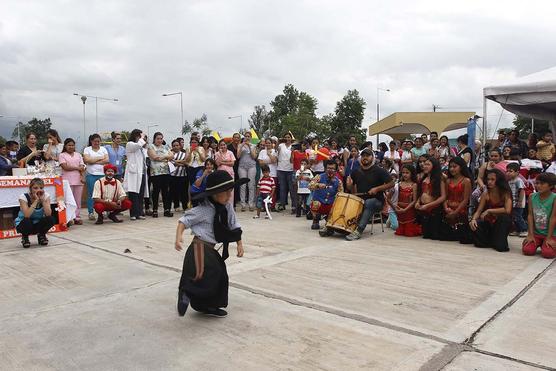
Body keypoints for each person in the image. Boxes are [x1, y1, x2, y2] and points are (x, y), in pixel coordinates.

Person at [174, 170, 246, 317]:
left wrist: (239, 243)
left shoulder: (227, 208)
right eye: (225, 192)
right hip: (199, 248)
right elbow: (184, 221)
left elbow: (234, 225)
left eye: (230, 191)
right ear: (214, 193)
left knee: (220, 275)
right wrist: (178, 237)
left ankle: (208, 305)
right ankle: (186, 292)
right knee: (200, 275)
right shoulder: (204, 209)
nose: (229, 196)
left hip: (211, 250)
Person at [345, 148, 394, 241]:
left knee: (369, 202)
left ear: (372, 158)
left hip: (377, 201)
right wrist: (349, 185)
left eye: (367, 156)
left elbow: (392, 183)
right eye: (363, 156)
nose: (365, 158)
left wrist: (377, 188)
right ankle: (339, 226)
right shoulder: (356, 171)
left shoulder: (379, 170)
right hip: (360, 200)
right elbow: (351, 189)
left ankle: (359, 230)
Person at [469, 169, 512, 252]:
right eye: (488, 179)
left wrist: (489, 210)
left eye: (492, 180)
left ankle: (497, 240)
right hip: (488, 222)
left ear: (499, 180)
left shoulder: (505, 193)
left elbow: (507, 210)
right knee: (476, 225)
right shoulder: (485, 193)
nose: (489, 182)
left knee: (500, 246)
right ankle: (490, 240)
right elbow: (479, 211)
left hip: (500, 223)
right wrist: (473, 220)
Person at [522, 172, 556, 259]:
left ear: (551, 186)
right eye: (537, 183)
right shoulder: (532, 196)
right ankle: (539, 242)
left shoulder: (554, 198)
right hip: (536, 233)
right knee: (527, 250)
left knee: (548, 254)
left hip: (551, 234)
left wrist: (548, 238)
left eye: (542, 183)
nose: (538, 186)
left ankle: (546, 242)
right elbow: (530, 216)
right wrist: (530, 234)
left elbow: (553, 218)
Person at [14, 177, 55, 248]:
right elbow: (27, 215)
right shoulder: (23, 197)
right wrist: (36, 201)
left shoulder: (45, 196)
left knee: (50, 219)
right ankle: (25, 237)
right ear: (30, 189)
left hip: (37, 223)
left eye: (41, 188)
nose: (39, 190)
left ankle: (41, 235)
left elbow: (48, 214)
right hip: (24, 223)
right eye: (35, 188)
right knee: (27, 221)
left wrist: (42, 201)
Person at [440, 157, 472, 242]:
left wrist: (455, 212)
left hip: (460, 210)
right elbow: (445, 197)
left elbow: (465, 200)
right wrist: (446, 208)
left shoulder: (466, 181)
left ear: (461, 167)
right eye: (450, 167)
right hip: (448, 209)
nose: (452, 169)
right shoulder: (448, 180)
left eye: (454, 166)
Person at [415, 156, 446, 240]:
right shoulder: (423, 178)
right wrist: (417, 202)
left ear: (434, 166)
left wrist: (428, 205)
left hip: (435, 210)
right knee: (426, 235)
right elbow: (421, 193)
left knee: (434, 236)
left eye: (428, 164)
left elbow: (443, 197)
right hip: (424, 209)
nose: (425, 166)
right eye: (424, 164)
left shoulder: (440, 178)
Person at [309, 160, 343, 233]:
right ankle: (315, 220)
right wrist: (317, 185)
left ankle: (328, 219)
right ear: (325, 169)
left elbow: (341, 194)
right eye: (328, 168)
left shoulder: (338, 181)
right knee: (315, 204)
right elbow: (310, 186)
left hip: (330, 203)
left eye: (332, 169)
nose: (330, 170)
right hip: (319, 202)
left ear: (336, 170)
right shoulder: (319, 177)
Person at [59, 138, 86, 225]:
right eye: (69, 145)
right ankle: (69, 218)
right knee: (68, 200)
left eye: (72, 145)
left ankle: (77, 217)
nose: (71, 147)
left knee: (77, 201)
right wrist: (77, 168)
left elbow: (82, 166)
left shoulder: (78, 155)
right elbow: (65, 167)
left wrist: (82, 175)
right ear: (65, 146)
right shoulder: (62, 155)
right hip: (67, 181)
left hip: (78, 180)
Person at [123, 129, 148, 221]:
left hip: (142, 173)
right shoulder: (130, 144)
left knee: (141, 194)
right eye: (140, 136)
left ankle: (140, 212)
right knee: (133, 194)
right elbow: (137, 146)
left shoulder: (141, 148)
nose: (142, 139)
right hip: (134, 173)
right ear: (135, 136)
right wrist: (142, 138)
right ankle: (133, 213)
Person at [148, 132, 174, 218]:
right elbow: (154, 157)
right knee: (156, 191)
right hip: (155, 173)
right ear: (154, 139)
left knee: (165, 191)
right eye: (158, 138)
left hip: (166, 172)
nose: (159, 140)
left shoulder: (166, 146)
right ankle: (155, 210)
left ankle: (167, 210)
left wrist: (161, 157)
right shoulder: (151, 146)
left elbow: (172, 156)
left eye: (161, 138)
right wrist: (165, 157)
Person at [83, 134, 109, 220]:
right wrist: (100, 158)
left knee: (103, 193)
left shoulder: (103, 149)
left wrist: (93, 160)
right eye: (95, 141)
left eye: (98, 141)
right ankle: (91, 212)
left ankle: (103, 210)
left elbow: (107, 160)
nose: (97, 143)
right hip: (91, 175)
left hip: (102, 174)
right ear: (91, 141)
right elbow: (87, 160)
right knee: (91, 194)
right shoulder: (87, 149)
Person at [393, 164, 421, 237]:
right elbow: (394, 198)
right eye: (403, 172)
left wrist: (405, 209)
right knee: (400, 231)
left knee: (409, 233)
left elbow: (414, 200)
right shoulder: (399, 184)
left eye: (407, 173)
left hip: (409, 210)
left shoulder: (414, 185)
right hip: (399, 209)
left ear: (412, 173)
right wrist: (395, 208)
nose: (405, 174)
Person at [237, 131, 258, 212]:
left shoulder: (254, 146)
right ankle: (243, 204)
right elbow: (238, 156)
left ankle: (251, 204)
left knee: (251, 185)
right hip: (242, 166)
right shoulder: (240, 145)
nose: (247, 137)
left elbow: (254, 157)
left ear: (251, 137)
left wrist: (249, 147)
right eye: (246, 136)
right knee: (242, 185)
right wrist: (242, 145)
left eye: (249, 136)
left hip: (251, 166)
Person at [506, 162, 528, 237]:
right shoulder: (509, 181)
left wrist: (520, 201)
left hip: (518, 203)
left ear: (517, 172)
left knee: (518, 216)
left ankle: (524, 229)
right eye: (507, 171)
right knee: (514, 217)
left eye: (510, 171)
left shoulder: (518, 180)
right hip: (512, 202)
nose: (508, 173)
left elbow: (522, 190)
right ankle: (517, 230)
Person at [257, 138, 278, 209]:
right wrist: (269, 161)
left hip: (273, 173)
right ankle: (264, 206)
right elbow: (260, 163)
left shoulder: (275, 151)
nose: (268, 144)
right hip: (263, 174)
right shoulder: (262, 151)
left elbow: (274, 161)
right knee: (263, 190)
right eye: (267, 143)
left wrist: (269, 154)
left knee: (272, 190)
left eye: (269, 143)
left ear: (272, 143)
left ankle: (272, 206)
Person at [276, 132, 295, 213]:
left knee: (292, 189)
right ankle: (282, 205)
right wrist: (278, 141)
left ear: (291, 138)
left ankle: (294, 206)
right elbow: (276, 149)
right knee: (282, 188)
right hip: (281, 169)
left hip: (290, 169)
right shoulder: (281, 145)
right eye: (286, 137)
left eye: (288, 137)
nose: (287, 139)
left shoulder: (293, 147)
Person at [170, 139, 189, 212]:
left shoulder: (184, 154)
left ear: (180, 146)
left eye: (177, 145)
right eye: (174, 145)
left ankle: (185, 207)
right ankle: (176, 206)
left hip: (183, 175)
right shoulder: (170, 154)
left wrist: (176, 162)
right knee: (174, 191)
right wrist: (181, 163)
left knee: (184, 192)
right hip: (173, 175)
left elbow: (186, 161)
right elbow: (171, 162)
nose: (176, 147)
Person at [228, 133, 241, 208]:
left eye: (238, 138)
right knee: (231, 185)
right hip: (231, 167)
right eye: (235, 137)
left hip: (239, 167)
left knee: (237, 184)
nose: (236, 139)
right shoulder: (229, 147)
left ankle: (235, 201)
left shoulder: (240, 146)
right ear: (232, 138)